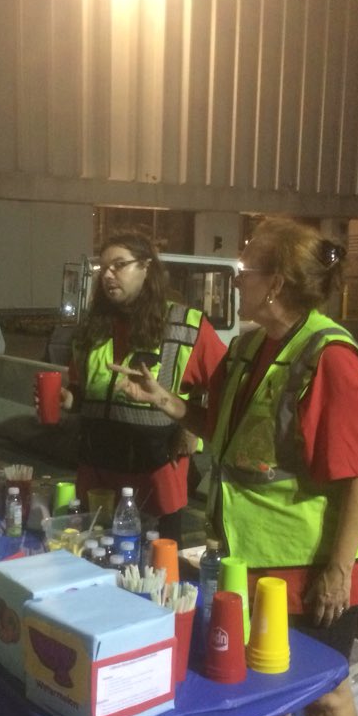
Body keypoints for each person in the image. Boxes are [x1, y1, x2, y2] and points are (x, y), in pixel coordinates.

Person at [111, 217, 358, 716]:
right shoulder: (248, 348)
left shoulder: (331, 359)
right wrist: (166, 401)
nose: (236, 274)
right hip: (251, 556)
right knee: (266, 676)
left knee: (325, 693)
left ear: (277, 282)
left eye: (248, 266)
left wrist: (338, 570)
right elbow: (224, 431)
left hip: (314, 566)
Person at [59, 230, 227, 544]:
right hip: (96, 484)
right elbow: (85, 394)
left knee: (155, 581)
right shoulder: (90, 329)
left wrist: (190, 427)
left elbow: (228, 391)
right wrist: (68, 399)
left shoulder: (185, 326)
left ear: (146, 268)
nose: (108, 274)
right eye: (103, 268)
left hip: (156, 487)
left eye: (119, 265)